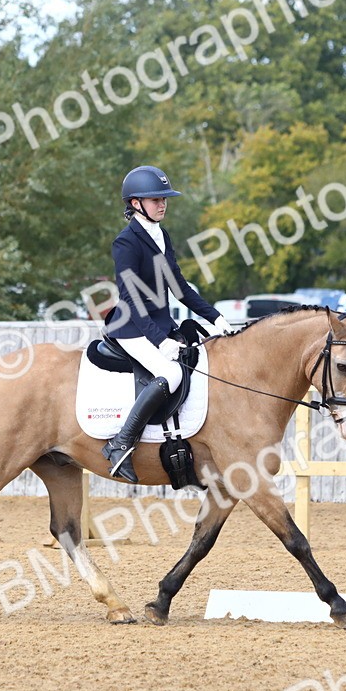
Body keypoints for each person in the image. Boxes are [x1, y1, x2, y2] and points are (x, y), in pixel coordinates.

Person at [101, 165, 234, 484]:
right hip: (132, 328)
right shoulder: (126, 243)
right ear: (135, 203)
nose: (163, 204)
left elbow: (180, 288)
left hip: (159, 324)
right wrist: (161, 341)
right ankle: (120, 444)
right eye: (155, 199)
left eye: (164, 198)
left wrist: (215, 317)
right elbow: (132, 299)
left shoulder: (161, 235)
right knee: (172, 373)